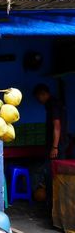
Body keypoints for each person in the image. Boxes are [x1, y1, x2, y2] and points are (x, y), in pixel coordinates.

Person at [33, 83, 69, 211]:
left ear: (43, 94)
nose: (39, 101)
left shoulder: (53, 105)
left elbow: (57, 126)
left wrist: (54, 147)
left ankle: (54, 205)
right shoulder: (54, 104)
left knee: (52, 175)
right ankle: (54, 204)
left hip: (57, 147)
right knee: (53, 174)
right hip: (59, 146)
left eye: (38, 98)